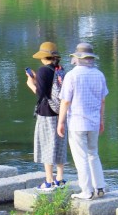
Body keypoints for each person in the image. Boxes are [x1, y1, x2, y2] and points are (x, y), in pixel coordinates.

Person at [57, 42, 108, 200]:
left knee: (81, 158)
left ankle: (87, 191)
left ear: (77, 58)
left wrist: (60, 122)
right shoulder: (99, 74)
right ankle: (100, 187)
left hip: (77, 123)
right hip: (93, 121)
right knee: (93, 154)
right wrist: (101, 121)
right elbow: (103, 100)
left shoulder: (71, 76)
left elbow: (65, 101)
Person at [25, 41, 66, 190]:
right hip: (61, 112)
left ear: (43, 57)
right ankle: (60, 179)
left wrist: (31, 83)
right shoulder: (60, 70)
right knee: (60, 144)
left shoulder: (43, 71)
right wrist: (38, 80)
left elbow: (41, 94)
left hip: (47, 112)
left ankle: (48, 181)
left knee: (46, 144)